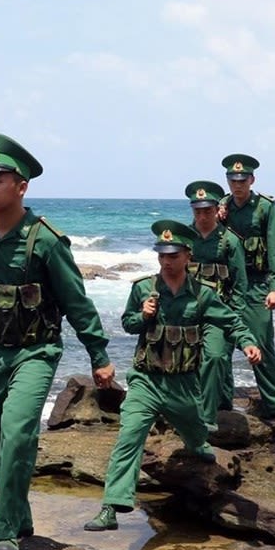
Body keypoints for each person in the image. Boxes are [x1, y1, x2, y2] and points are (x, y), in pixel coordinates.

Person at [0, 133, 115, 550]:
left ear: (21, 186)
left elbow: (76, 302)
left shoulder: (44, 241)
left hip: (36, 352)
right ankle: (20, 515)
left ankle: (6, 529)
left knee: (19, 432)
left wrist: (99, 356)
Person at [83, 220, 261, 532]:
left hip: (183, 385)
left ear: (188, 256)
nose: (166, 261)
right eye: (162, 255)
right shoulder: (143, 289)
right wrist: (143, 315)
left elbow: (231, 321)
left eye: (173, 255)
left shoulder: (202, 295)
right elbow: (128, 324)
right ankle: (111, 506)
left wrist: (247, 342)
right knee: (129, 436)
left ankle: (197, 444)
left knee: (196, 433)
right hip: (146, 380)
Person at [219, 154, 275, 422]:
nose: (237, 185)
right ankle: (222, 403)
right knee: (221, 347)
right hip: (227, 285)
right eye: (233, 180)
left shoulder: (265, 207)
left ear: (251, 180)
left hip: (256, 285)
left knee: (262, 344)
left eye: (242, 180)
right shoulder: (222, 206)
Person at [184, 179, 248, 431]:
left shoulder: (229, 241)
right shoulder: (184, 239)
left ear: (216, 210)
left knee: (216, 356)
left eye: (207, 211)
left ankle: (207, 418)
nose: (202, 216)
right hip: (189, 310)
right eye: (197, 211)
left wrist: (234, 320)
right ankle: (216, 403)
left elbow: (240, 283)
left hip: (219, 311)